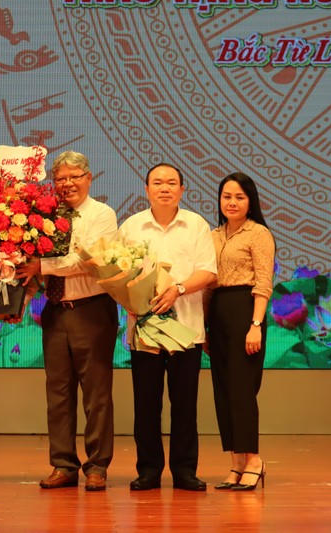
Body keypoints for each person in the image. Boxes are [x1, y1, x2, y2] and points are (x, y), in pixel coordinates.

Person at [17, 151, 118, 491]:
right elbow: (32, 267)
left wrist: (41, 266)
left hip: (93, 310)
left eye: (74, 177)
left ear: (89, 178)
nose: (67, 184)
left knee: (96, 394)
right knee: (58, 393)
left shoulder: (102, 214)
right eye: (60, 178)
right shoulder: (45, 216)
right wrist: (18, 298)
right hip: (56, 311)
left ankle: (97, 466)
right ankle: (63, 464)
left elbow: (87, 260)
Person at [118, 163, 217, 491]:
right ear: (146, 189)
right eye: (158, 183)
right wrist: (130, 297)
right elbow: (117, 272)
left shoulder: (196, 225)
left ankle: (185, 471)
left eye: (172, 183)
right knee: (146, 404)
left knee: (185, 405)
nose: (165, 188)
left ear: (182, 190)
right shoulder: (131, 227)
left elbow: (208, 271)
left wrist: (178, 289)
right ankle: (148, 470)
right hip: (144, 331)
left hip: (186, 330)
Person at [207, 172, 274, 491]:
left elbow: (263, 282)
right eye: (227, 196)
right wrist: (205, 327)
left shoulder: (258, 233)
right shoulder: (213, 235)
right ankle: (236, 462)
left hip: (246, 311)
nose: (232, 202)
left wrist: (256, 325)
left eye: (239, 197)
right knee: (223, 391)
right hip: (217, 312)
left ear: (250, 201)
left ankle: (255, 461)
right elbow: (208, 283)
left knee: (242, 390)